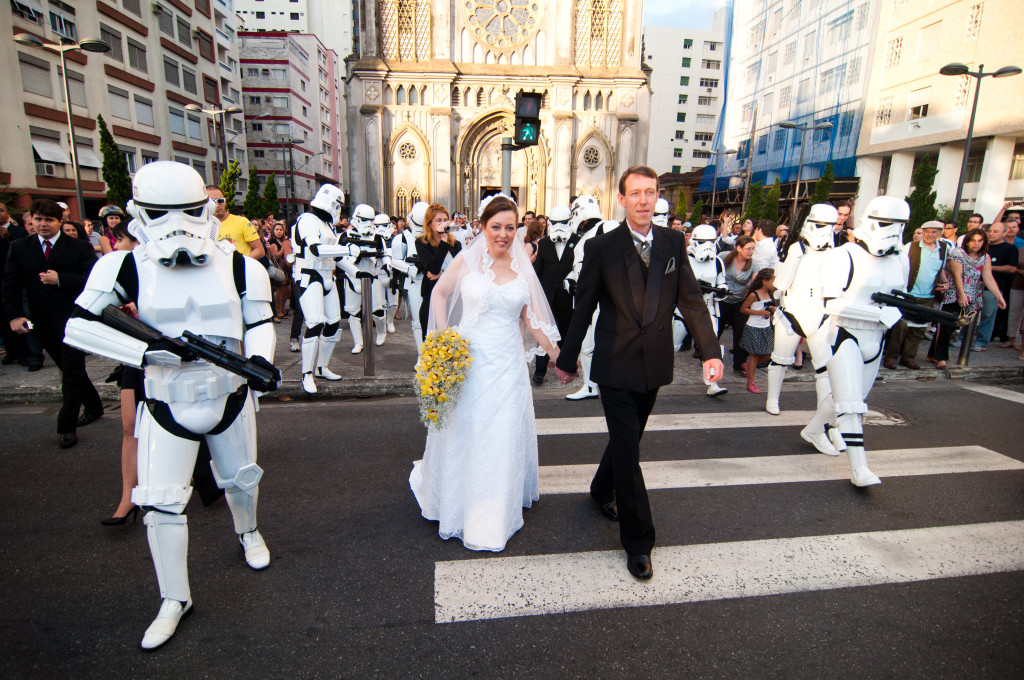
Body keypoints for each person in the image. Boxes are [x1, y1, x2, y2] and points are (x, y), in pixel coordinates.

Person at [64, 161, 279, 650]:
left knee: (243, 478)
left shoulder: (239, 263)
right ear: (140, 213)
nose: (177, 224)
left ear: (206, 208)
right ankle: (174, 598)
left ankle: (248, 534)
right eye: (163, 213)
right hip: (165, 398)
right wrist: (143, 352)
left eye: (188, 211)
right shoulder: (120, 265)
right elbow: (77, 325)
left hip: (228, 392)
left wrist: (260, 363)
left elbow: (260, 321)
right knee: (161, 502)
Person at [554, 166, 723, 580]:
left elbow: (692, 300)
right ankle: (639, 541)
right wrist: (567, 356)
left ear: (657, 197)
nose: (644, 200)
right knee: (630, 452)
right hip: (613, 364)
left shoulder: (671, 242)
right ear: (622, 199)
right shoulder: (602, 248)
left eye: (650, 193)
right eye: (636, 193)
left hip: (654, 364)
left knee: (628, 440)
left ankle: (598, 489)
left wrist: (710, 351)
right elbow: (585, 306)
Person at [409, 194, 560, 552]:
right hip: (470, 360)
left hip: (507, 365)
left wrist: (557, 354)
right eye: (496, 227)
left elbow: (532, 319)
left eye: (510, 227)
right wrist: (445, 339)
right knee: (468, 430)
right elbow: (440, 295)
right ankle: (460, 499)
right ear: (482, 227)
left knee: (502, 433)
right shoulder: (466, 259)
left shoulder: (523, 268)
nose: (504, 234)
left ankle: (496, 506)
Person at [807, 196, 912, 487]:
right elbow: (830, 302)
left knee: (845, 397)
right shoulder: (844, 255)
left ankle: (814, 430)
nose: (892, 232)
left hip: (875, 339)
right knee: (851, 404)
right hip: (845, 335)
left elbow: (900, 297)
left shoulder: (899, 259)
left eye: (899, 226)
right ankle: (859, 468)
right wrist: (878, 313)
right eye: (887, 224)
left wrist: (896, 312)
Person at [3, 199, 103, 448]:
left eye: (48, 219)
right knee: (71, 369)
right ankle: (94, 405)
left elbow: (93, 279)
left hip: (75, 320)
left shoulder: (79, 247)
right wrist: (15, 316)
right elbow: (10, 286)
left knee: (70, 373)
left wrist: (61, 279)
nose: (42, 224)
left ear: (60, 221)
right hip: (40, 323)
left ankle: (66, 426)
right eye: (37, 219)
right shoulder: (19, 247)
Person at [765, 205, 839, 442]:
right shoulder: (796, 248)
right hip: (792, 310)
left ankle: (823, 409)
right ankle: (772, 399)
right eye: (820, 225)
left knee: (824, 367)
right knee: (780, 360)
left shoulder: (835, 252)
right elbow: (782, 283)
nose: (823, 232)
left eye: (828, 227)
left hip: (821, 312)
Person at [101, 223, 145, 526]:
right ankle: (128, 498)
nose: (115, 244)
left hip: (170, 354)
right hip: (134, 353)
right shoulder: (120, 272)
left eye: (122, 240)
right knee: (130, 426)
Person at [292, 184, 347, 393]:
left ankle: (322, 367)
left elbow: (336, 257)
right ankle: (306, 373)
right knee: (315, 323)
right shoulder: (307, 220)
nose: (339, 210)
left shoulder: (327, 224)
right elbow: (315, 249)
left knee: (333, 323)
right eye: (338, 205)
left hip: (326, 276)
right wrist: (347, 249)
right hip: (309, 275)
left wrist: (356, 271)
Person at [883, 221, 949, 370]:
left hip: (928, 295)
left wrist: (945, 283)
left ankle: (908, 358)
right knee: (899, 327)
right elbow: (898, 266)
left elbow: (941, 269)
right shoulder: (911, 246)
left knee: (919, 329)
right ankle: (891, 358)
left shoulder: (943, 249)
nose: (930, 234)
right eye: (927, 231)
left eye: (934, 232)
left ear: (940, 233)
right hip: (908, 293)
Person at [935, 228, 1007, 361]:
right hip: (954, 295)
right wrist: (962, 295)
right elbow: (957, 275)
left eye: (980, 241)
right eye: (973, 240)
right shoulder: (958, 253)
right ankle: (940, 358)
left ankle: (939, 355)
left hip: (973, 296)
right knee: (946, 327)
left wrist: (999, 296)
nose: (976, 243)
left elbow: (988, 278)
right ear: (967, 241)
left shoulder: (985, 257)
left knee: (964, 326)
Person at [531, 205, 578, 385]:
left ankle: (567, 369)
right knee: (545, 335)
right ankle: (540, 372)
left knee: (567, 336)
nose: (559, 226)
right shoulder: (543, 244)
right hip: (548, 297)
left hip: (568, 298)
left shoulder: (578, 241)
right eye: (556, 223)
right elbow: (538, 271)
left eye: (563, 223)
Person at [416, 204, 461, 342]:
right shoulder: (422, 243)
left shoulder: (456, 244)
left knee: (453, 342)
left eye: (445, 219)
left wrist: (442, 275)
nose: (443, 223)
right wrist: (443, 242)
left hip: (453, 300)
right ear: (430, 224)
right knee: (432, 342)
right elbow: (432, 269)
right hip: (431, 298)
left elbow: (461, 272)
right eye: (438, 220)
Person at [391, 202, 429, 350]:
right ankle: (421, 355)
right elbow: (395, 261)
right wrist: (410, 269)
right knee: (418, 321)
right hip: (415, 281)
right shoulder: (402, 239)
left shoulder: (435, 237)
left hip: (432, 281)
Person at [718, 235, 757, 374]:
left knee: (740, 332)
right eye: (748, 249)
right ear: (739, 248)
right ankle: (707, 356)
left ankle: (739, 364)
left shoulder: (753, 264)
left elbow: (755, 282)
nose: (751, 252)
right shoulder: (724, 256)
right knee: (717, 329)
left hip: (739, 301)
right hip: (722, 300)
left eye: (753, 249)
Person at [739, 268, 776, 393]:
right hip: (754, 327)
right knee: (755, 355)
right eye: (773, 281)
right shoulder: (753, 295)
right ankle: (751, 381)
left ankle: (748, 367)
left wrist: (772, 309)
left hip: (766, 327)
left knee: (769, 353)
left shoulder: (771, 293)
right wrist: (758, 312)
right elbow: (743, 309)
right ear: (765, 281)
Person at [207, 186, 265, 260]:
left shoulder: (242, 221)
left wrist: (241, 264)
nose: (217, 205)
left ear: (225, 201)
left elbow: (260, 250)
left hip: (240, 270)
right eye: (211, 201)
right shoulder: (203, 226)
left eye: (220, 201)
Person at [984, 222, 1018, 347]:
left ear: (1004, 233)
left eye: (996, 231)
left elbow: (1011, 268)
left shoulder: (1009, 248)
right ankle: (962, 339)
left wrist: (988, 267)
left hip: (994, 287)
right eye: (990, 231)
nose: (991, 234)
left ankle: (982, 342)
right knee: (969, 315)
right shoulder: (984, 246)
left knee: (988, 315)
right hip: (976, 287)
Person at [266, 222, 293, 320]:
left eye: (281, 230)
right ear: (273, 231)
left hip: (285, 267)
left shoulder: (283, 241)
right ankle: (278, 310)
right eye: (277, 229)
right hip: (279, 268)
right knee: (280, 290)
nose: (279, 231)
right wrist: (283, 249)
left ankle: (282, 307)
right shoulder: (273, 243)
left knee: (287, 289)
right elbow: (275, 256)